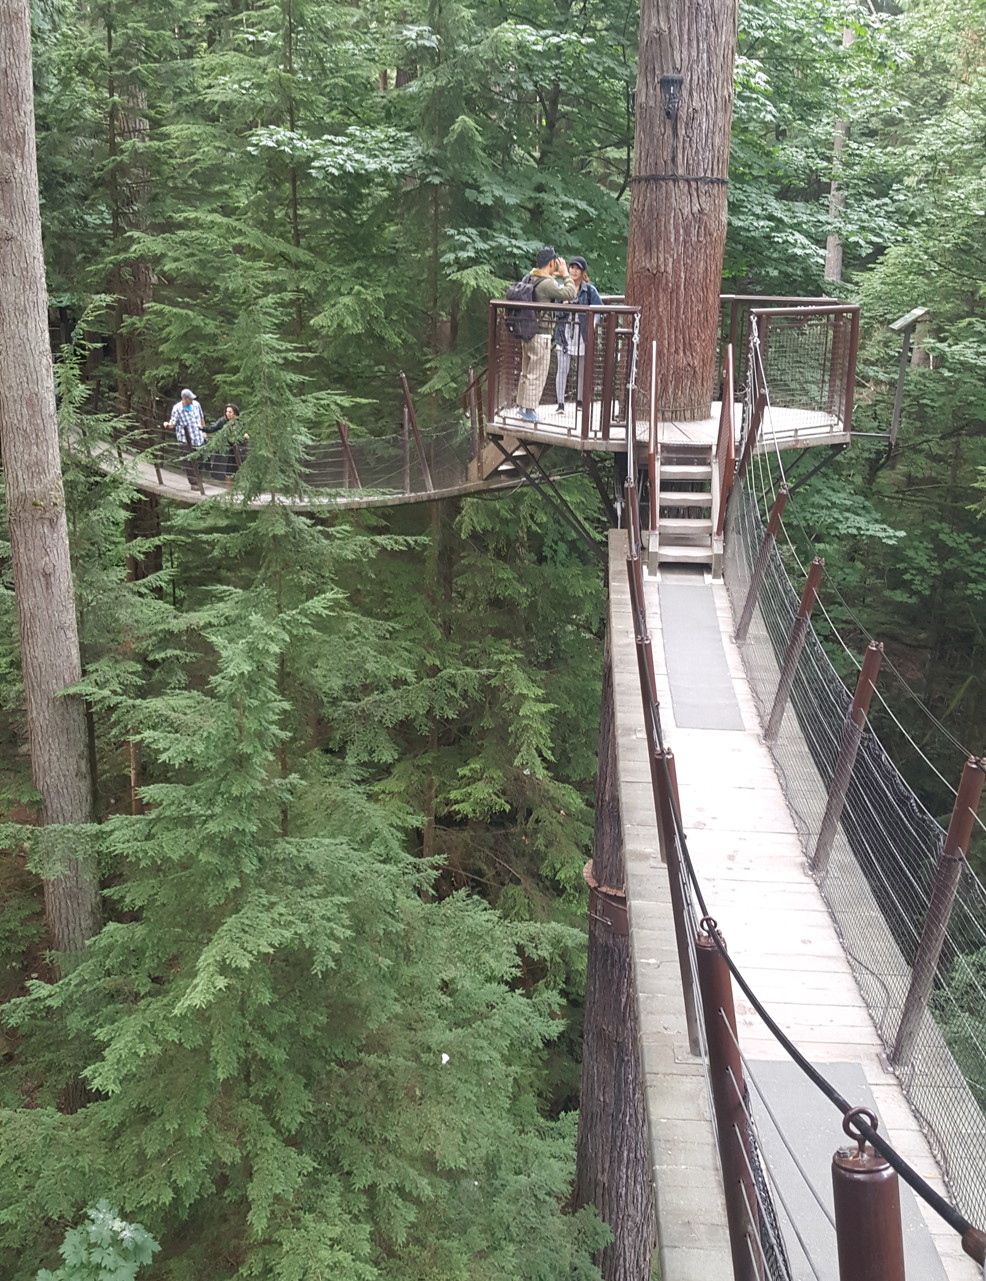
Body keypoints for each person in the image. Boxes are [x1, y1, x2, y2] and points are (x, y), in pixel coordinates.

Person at [515, 246, 576, 423]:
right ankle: (529, 410)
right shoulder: (547, 283)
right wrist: (565, 274)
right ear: (551, 263)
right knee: (538, 372)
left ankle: (521, 405)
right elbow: (571, 293)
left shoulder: (529, 278)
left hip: (527, 332)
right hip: (541, 334)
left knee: (526, 371)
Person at [553, 255, 603, 413]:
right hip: (564, 332)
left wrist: (592, 324)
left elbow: (599, 310)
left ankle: (580, 401)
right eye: (571, 267)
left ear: (582, 272)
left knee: (582, 368)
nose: (574, 271)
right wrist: (563, 305)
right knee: (563, 368)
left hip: (582, 333)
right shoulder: (562, 288)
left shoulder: (589, 290)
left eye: (577, 268)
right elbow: (555, 310)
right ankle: (560, 403)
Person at [164, 388, 207, 488]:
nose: (192, 400)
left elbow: (201, 417)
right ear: (185, 399)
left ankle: (199, 478)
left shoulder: (196, 405)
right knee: (189, 461)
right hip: (186, 439)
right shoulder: (177, 409)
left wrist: (205, 431)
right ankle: (194, 483)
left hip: (198, 437)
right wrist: (167, 425)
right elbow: (172, 423)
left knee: (200, 458)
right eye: (190, 398)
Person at [203, 402, 243, 484]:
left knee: (237, 468)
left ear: (235, 413)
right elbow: (212, 428)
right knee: (227, 469)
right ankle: (227, 488)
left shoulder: (240, 422)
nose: (227, 414)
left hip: (237, 449)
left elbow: (244, 432)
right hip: (226, 449)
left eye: (230, 412)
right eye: (226, 412)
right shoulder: (222, 421)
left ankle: (236, 487)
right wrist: (203, 428)